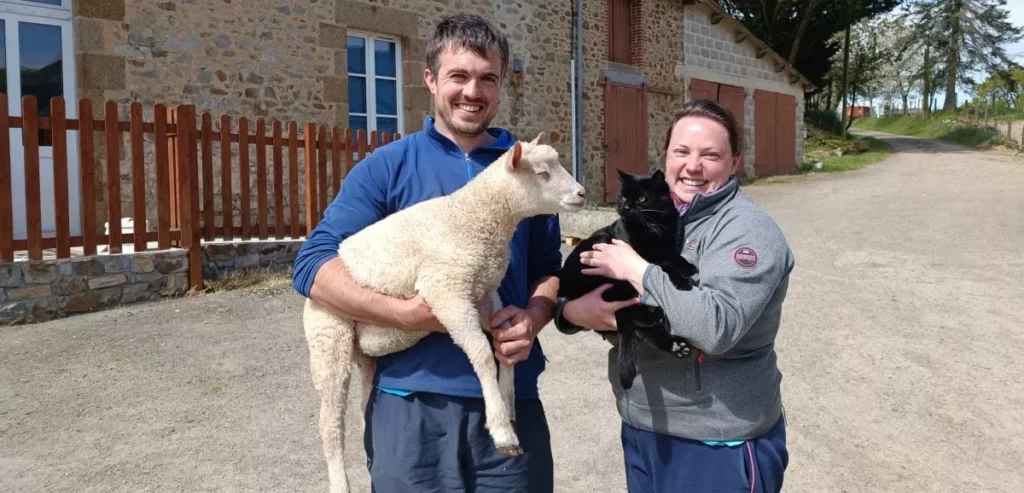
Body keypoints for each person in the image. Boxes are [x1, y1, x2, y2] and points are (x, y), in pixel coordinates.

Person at [291, 14, 561, 493]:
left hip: (509, 396)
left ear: (500, 88)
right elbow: (313, 266)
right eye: (458, 76)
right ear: (431, 79)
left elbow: (547, 270)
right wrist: (408, 314)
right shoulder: (388, 166)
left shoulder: (530, 174)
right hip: (407, 404)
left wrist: (535, 316)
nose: (472, 92)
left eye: (487, 79)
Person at [552, 99, 794, 492]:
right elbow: (589, 281)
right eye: (681, 152)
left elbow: (717, 327)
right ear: (666, 159)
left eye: (710, 155)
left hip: (717, 440)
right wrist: (571, 313)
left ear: (735, 161)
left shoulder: (748, 231)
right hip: (643, 424)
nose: (693, 166)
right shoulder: (653, 217)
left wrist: (637, 270)